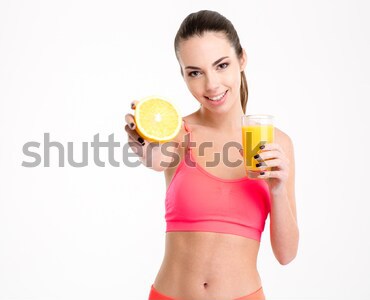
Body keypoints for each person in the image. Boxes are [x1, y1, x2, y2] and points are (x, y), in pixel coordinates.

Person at [124, 10, 299, 300]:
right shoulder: (178, 132)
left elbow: (286, 254)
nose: (211, 85)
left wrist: (278, 188)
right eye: (195, 72)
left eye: (221, 65)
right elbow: (155, 159)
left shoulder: (275, 142)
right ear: (183, 75)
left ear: (241, 59)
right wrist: (143, 143)